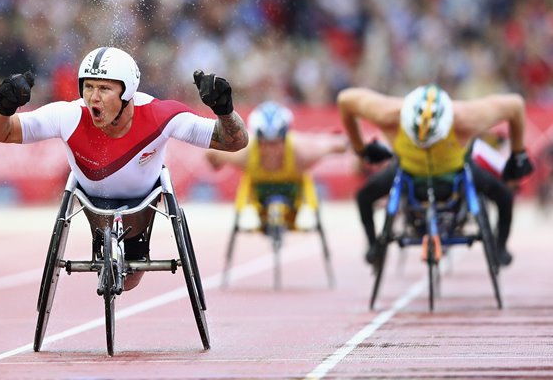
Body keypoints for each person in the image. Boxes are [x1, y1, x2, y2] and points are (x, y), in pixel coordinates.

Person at [0, 46, 248, 290]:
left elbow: (235, 141)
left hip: (144, 204)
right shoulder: (68, 115)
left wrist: (224, 110)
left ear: (127, 91)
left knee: (130, 281)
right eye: (88, 87)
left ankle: (132, 248)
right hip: (91, 201)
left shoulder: (160, 115)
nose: (93, 98)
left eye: (105, 89)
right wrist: (4, 108)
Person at [337, 84, 534, 267]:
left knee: (506, 196)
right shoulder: (390, 114)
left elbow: (516, 105)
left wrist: (362, 149)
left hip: (451, 172)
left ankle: (500, 247)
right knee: (363, 196)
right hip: (410, 172)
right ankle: (374, 246)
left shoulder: (465, 118)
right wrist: (518, 154)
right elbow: (515, 105)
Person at [205, 100, 349, 232]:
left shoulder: (301, 152)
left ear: (285, 139)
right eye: (265, 144)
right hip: (259, 195)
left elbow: (329, 144)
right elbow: (212, 154)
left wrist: (343, 143)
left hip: (293, 194)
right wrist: (215, 161)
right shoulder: (245, 154)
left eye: (275, 143)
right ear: (257, 141)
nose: (270, 150)